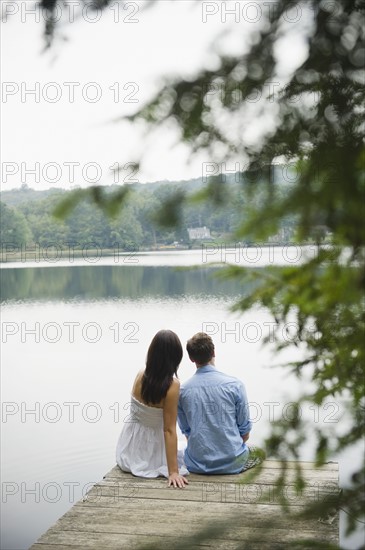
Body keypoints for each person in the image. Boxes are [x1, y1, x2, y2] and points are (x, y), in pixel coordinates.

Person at [178, 332, 265, 474]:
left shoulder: (182, 391)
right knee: (260, 452)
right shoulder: (235, 385)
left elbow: (187, 432)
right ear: (213, 352)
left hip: (197, 464)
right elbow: (245, 432)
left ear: (191, 358)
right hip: (233, 463)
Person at [116, 329, 189, 488]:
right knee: (188, 452)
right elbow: (169, 430)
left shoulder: (140, 374)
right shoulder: (172, 385)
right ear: (175, 357)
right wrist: (173, 472)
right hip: (151, 449)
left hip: (129, 446)